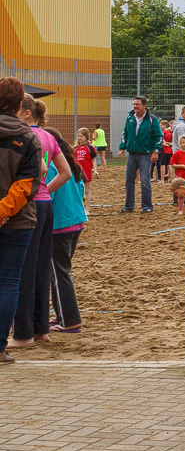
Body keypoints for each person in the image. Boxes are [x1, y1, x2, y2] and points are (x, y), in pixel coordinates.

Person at [13, 96, 72, 349]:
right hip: (46, 204)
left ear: (26, 113)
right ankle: (41, 330)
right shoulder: (48, 136)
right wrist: (45, 189)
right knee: (41, 269)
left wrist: (35, 190)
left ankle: (23, 334)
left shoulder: (25, 136)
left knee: (23, 270)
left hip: (30, 204)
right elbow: (66, 172)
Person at [0, 77, 41, 363]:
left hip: (11, 217)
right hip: (17, 221)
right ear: (19, 103)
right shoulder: (28, 138)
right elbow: (27, 184)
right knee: (8, 282)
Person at [45, 125, 87, 335]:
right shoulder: (72, 164)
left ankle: (70, 320)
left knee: (59, 271)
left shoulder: (52, 165)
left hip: (59, 225)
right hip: (75, 222)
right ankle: (62, 314)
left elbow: (47, 196)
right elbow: (80, 192)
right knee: (58, 271)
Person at [119, 96, 161, 213]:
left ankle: (147, 206)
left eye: (137, 104)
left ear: (144, 106)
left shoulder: (152, 119)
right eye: (134, 104)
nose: (135, 106)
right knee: (129, 180)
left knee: (145, 180)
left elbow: (158, 136)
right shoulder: (130, 117)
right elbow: (125, 133)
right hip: (132, 154)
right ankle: (129, 206)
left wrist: (155, 151)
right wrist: (122, 148)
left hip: (145, 154)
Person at [72, 128, 95, 200]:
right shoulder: (75, 148)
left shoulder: (90, 147)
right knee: (78, 190)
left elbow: (93, 159)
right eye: (78, 136)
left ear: (86, 137)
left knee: (87, 190)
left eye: (81, 136)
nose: (79, 138)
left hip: (87, 171)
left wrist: (95, 169)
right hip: (78, 172)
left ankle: (87, 209)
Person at [171, 135, 185, 210]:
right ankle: (176, 201)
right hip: (180, 175)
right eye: (183, 143)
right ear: (180, 143)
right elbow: (173, 164)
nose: (184, 144)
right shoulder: (176, 153)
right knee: (178, 189)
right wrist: (181, 166)